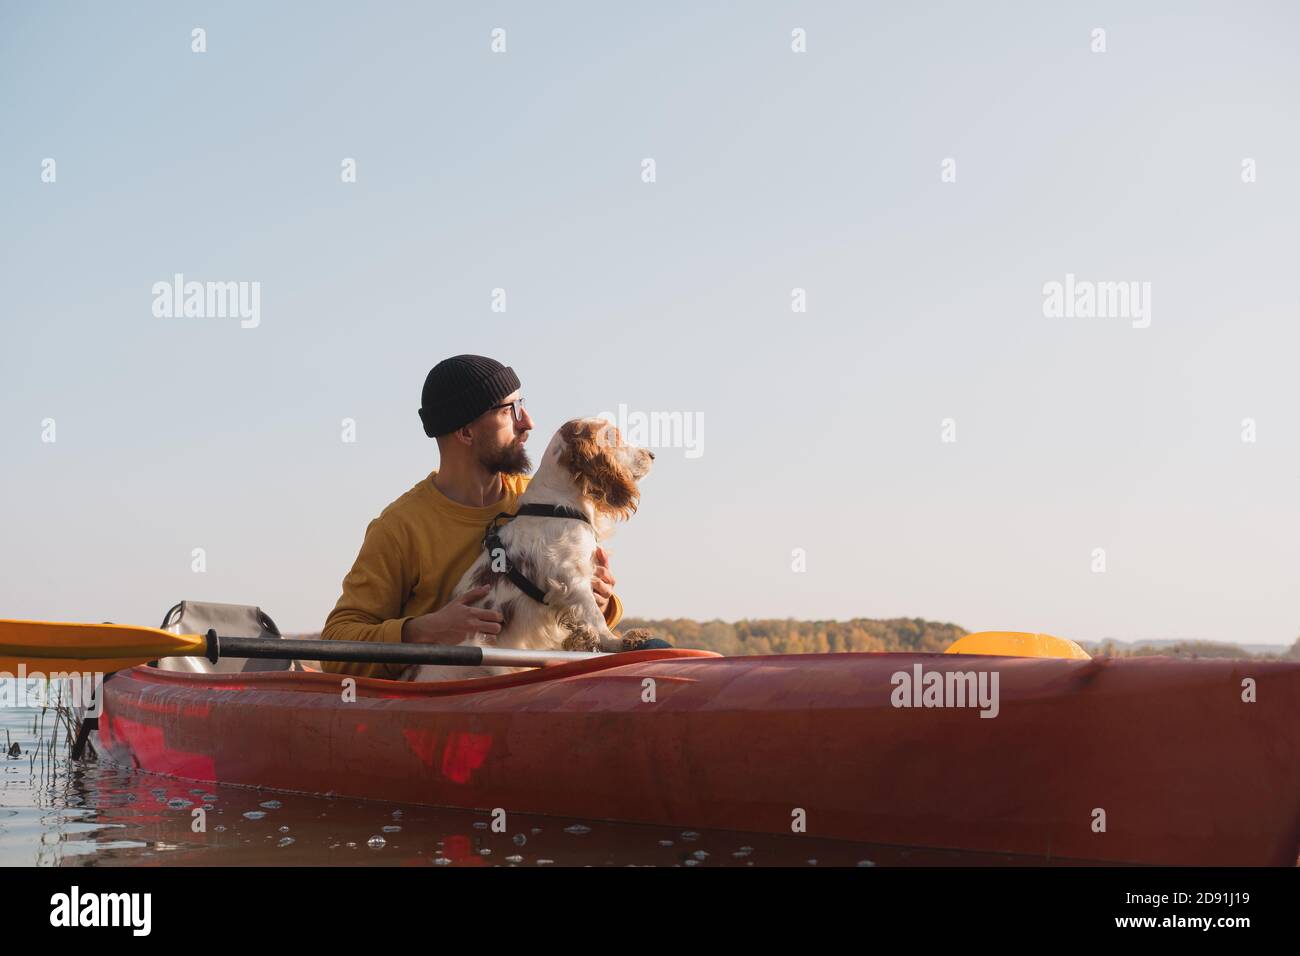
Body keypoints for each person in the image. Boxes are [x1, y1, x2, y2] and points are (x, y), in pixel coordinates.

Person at [320, 354, 623, 679]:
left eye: (524, 404)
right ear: (466, 432)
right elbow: (337, 647)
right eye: (511, 410)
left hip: (541, 695)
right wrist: (424, 630)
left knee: (653, 648)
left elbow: (590, 620)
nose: (528, 422)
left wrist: (603, 604)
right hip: (450, 709)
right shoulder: (401, 528)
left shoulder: (541, 499)